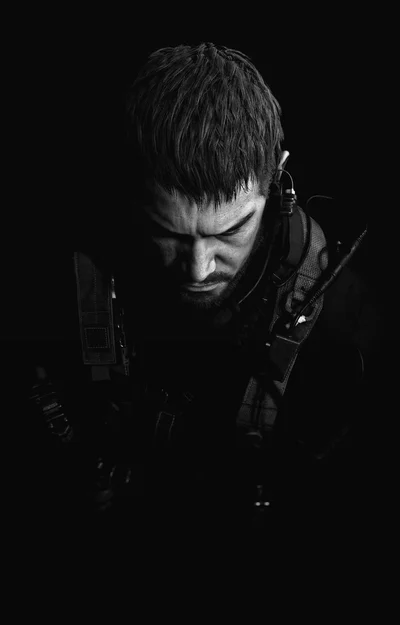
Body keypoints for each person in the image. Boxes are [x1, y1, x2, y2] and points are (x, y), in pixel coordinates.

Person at [21, 42, 375, 540]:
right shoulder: (69, 269)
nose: (197, 269)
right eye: (167, 233)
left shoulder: (346, 317)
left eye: (230, 232)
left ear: (277, 177)